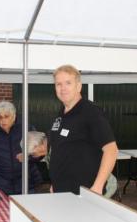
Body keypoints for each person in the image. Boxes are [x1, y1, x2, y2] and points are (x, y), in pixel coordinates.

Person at [40, 64, 118, 195]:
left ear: (79, 86)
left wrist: (97, 187)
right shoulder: (61, 115)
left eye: (68, 83)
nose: (63, 88)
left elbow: (111, 150)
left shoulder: (91, 112)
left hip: (85, 194)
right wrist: (55, 183)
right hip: (61, 192)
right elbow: (60, 151)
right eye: (58, 84)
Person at [0, 101, 42, 195]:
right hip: (2, 185)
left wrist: (28, 157)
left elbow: (40, 152)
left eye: (6, 116)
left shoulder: (26, 129)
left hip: (26, 183)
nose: (3, 120)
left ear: (14, 116)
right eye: (0, 117)